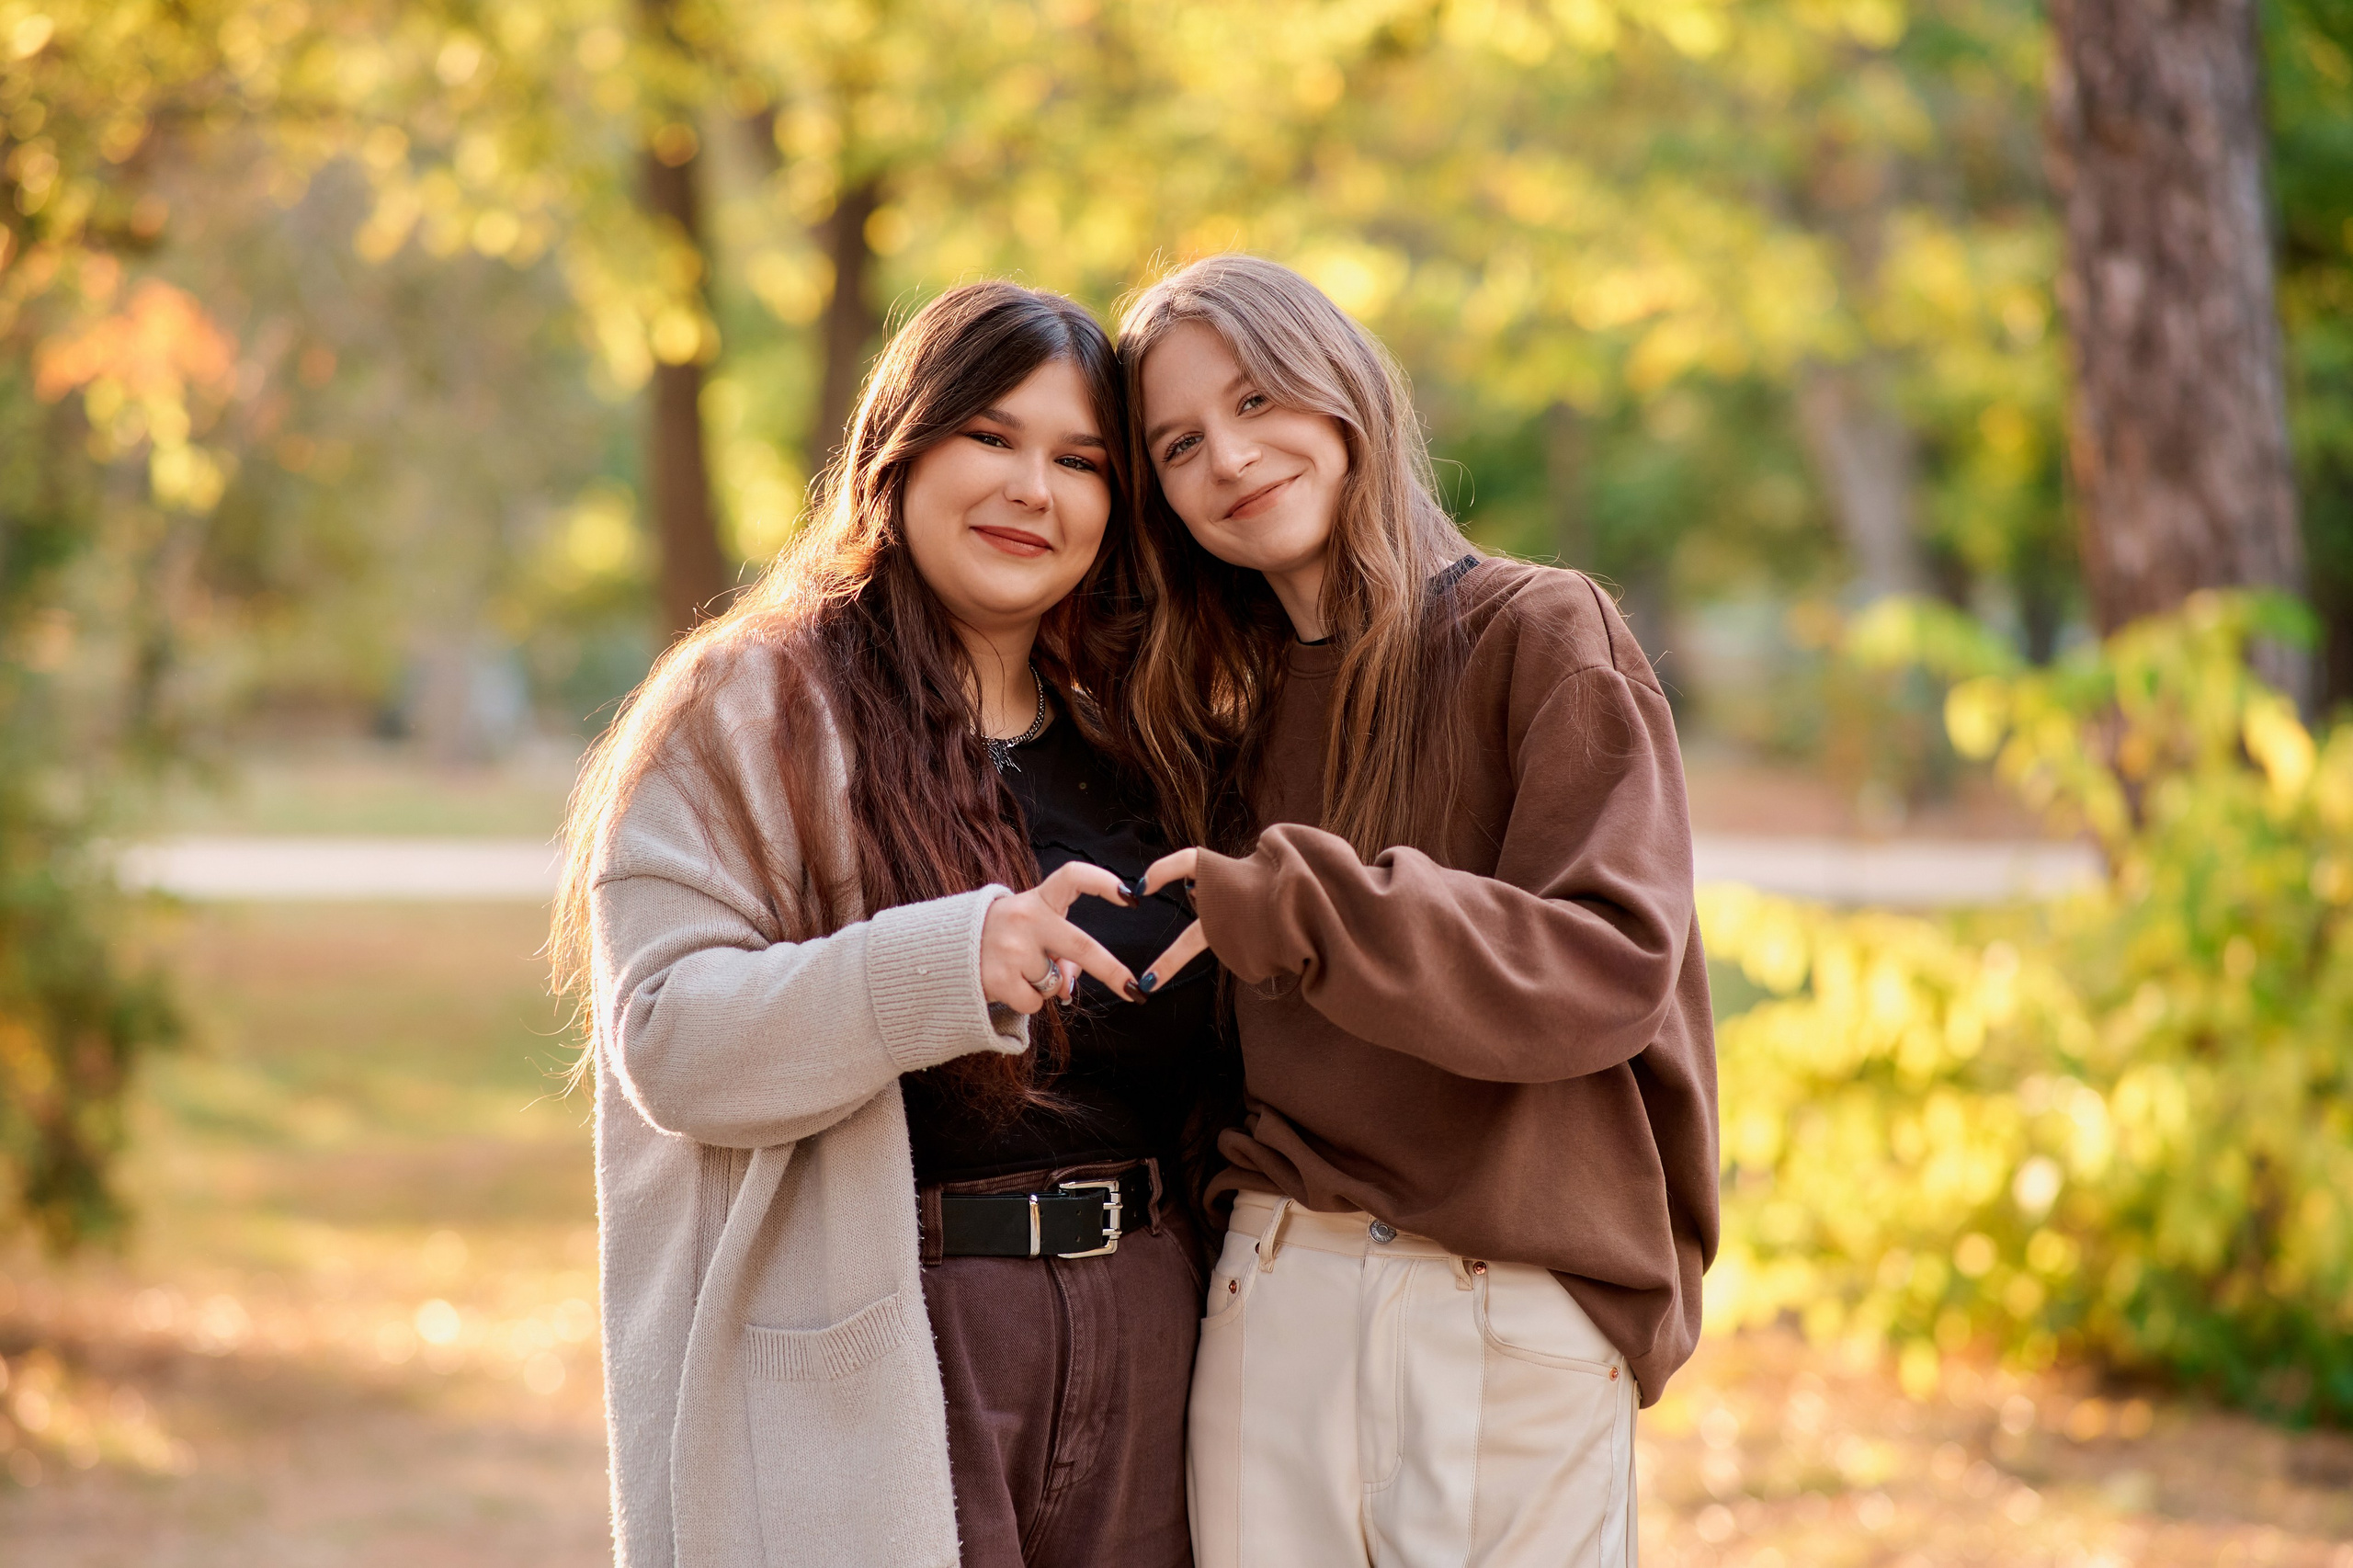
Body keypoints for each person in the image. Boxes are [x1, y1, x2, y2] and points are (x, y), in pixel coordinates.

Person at [551, 281, 1218, 1568]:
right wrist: (944, 962)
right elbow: (669, 1033)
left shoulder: (1141, 738)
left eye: (1081, 461)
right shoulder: (755, 705)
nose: (1035, 488)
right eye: (992, 436)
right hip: (899, 1336)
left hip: (1149, 1330)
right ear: (900, 447)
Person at [1109, 254, 1720, 1568]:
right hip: (1279, 1298)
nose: (1230, 454)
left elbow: (1607, 966)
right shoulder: (1223, 719)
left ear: (1343, 394)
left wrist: (1309, 907)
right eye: (1178, 443)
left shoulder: (1540, 633)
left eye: (1260, 398)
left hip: (1504, 1307)